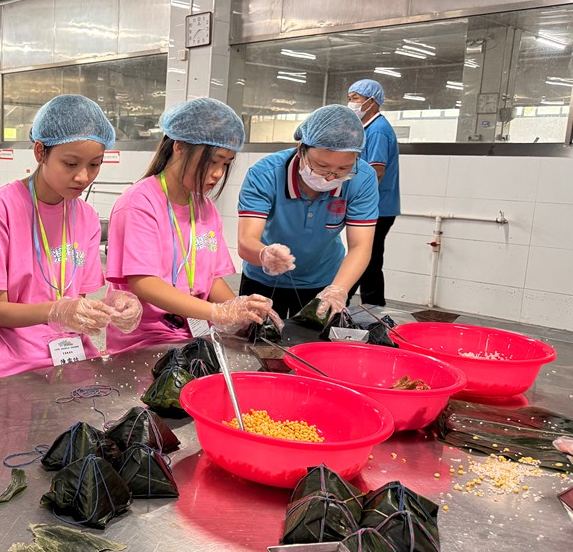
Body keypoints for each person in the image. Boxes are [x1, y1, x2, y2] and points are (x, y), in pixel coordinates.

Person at [0, 95, 142, 381]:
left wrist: (110, 307)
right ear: (40, 152)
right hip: (9, 359)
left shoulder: (86, 217)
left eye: (95, 165)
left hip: (70, 351)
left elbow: (75, 302)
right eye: (70, 164)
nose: (83, 177)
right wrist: (57, 311)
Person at [105, 98, 276, 354]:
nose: (218, 173)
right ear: (180, 147)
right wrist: (215, 311)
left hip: (196, 336)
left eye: (226, 163)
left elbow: (211, 278)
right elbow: (143, 282)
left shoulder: (205, 208)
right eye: (214, 161)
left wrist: (241, 311)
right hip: (146, 341)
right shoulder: (139, 203)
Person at [236, 104, 380, 319]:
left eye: (343, 169)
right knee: (256, 336)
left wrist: (338, 289)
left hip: (324, 281)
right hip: (262, 279)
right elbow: (246, 240)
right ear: (301, 149)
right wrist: (264, 254)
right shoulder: (265, 174)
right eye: (321, 166)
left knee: (312, 339)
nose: (330, 177)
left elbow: (361, 246)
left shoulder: (362, 178)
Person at [346, 78, 400, 306]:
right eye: (350, 98)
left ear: (372, 101)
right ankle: (360, 303)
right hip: (374, 207)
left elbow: (376, 172)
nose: (351, 103)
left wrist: (357, 199)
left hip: (378, 207)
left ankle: (363, 304)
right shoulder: (366, 128)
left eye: (355, 98)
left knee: (367, 258)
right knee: (367, 258)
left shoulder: (378, 131)